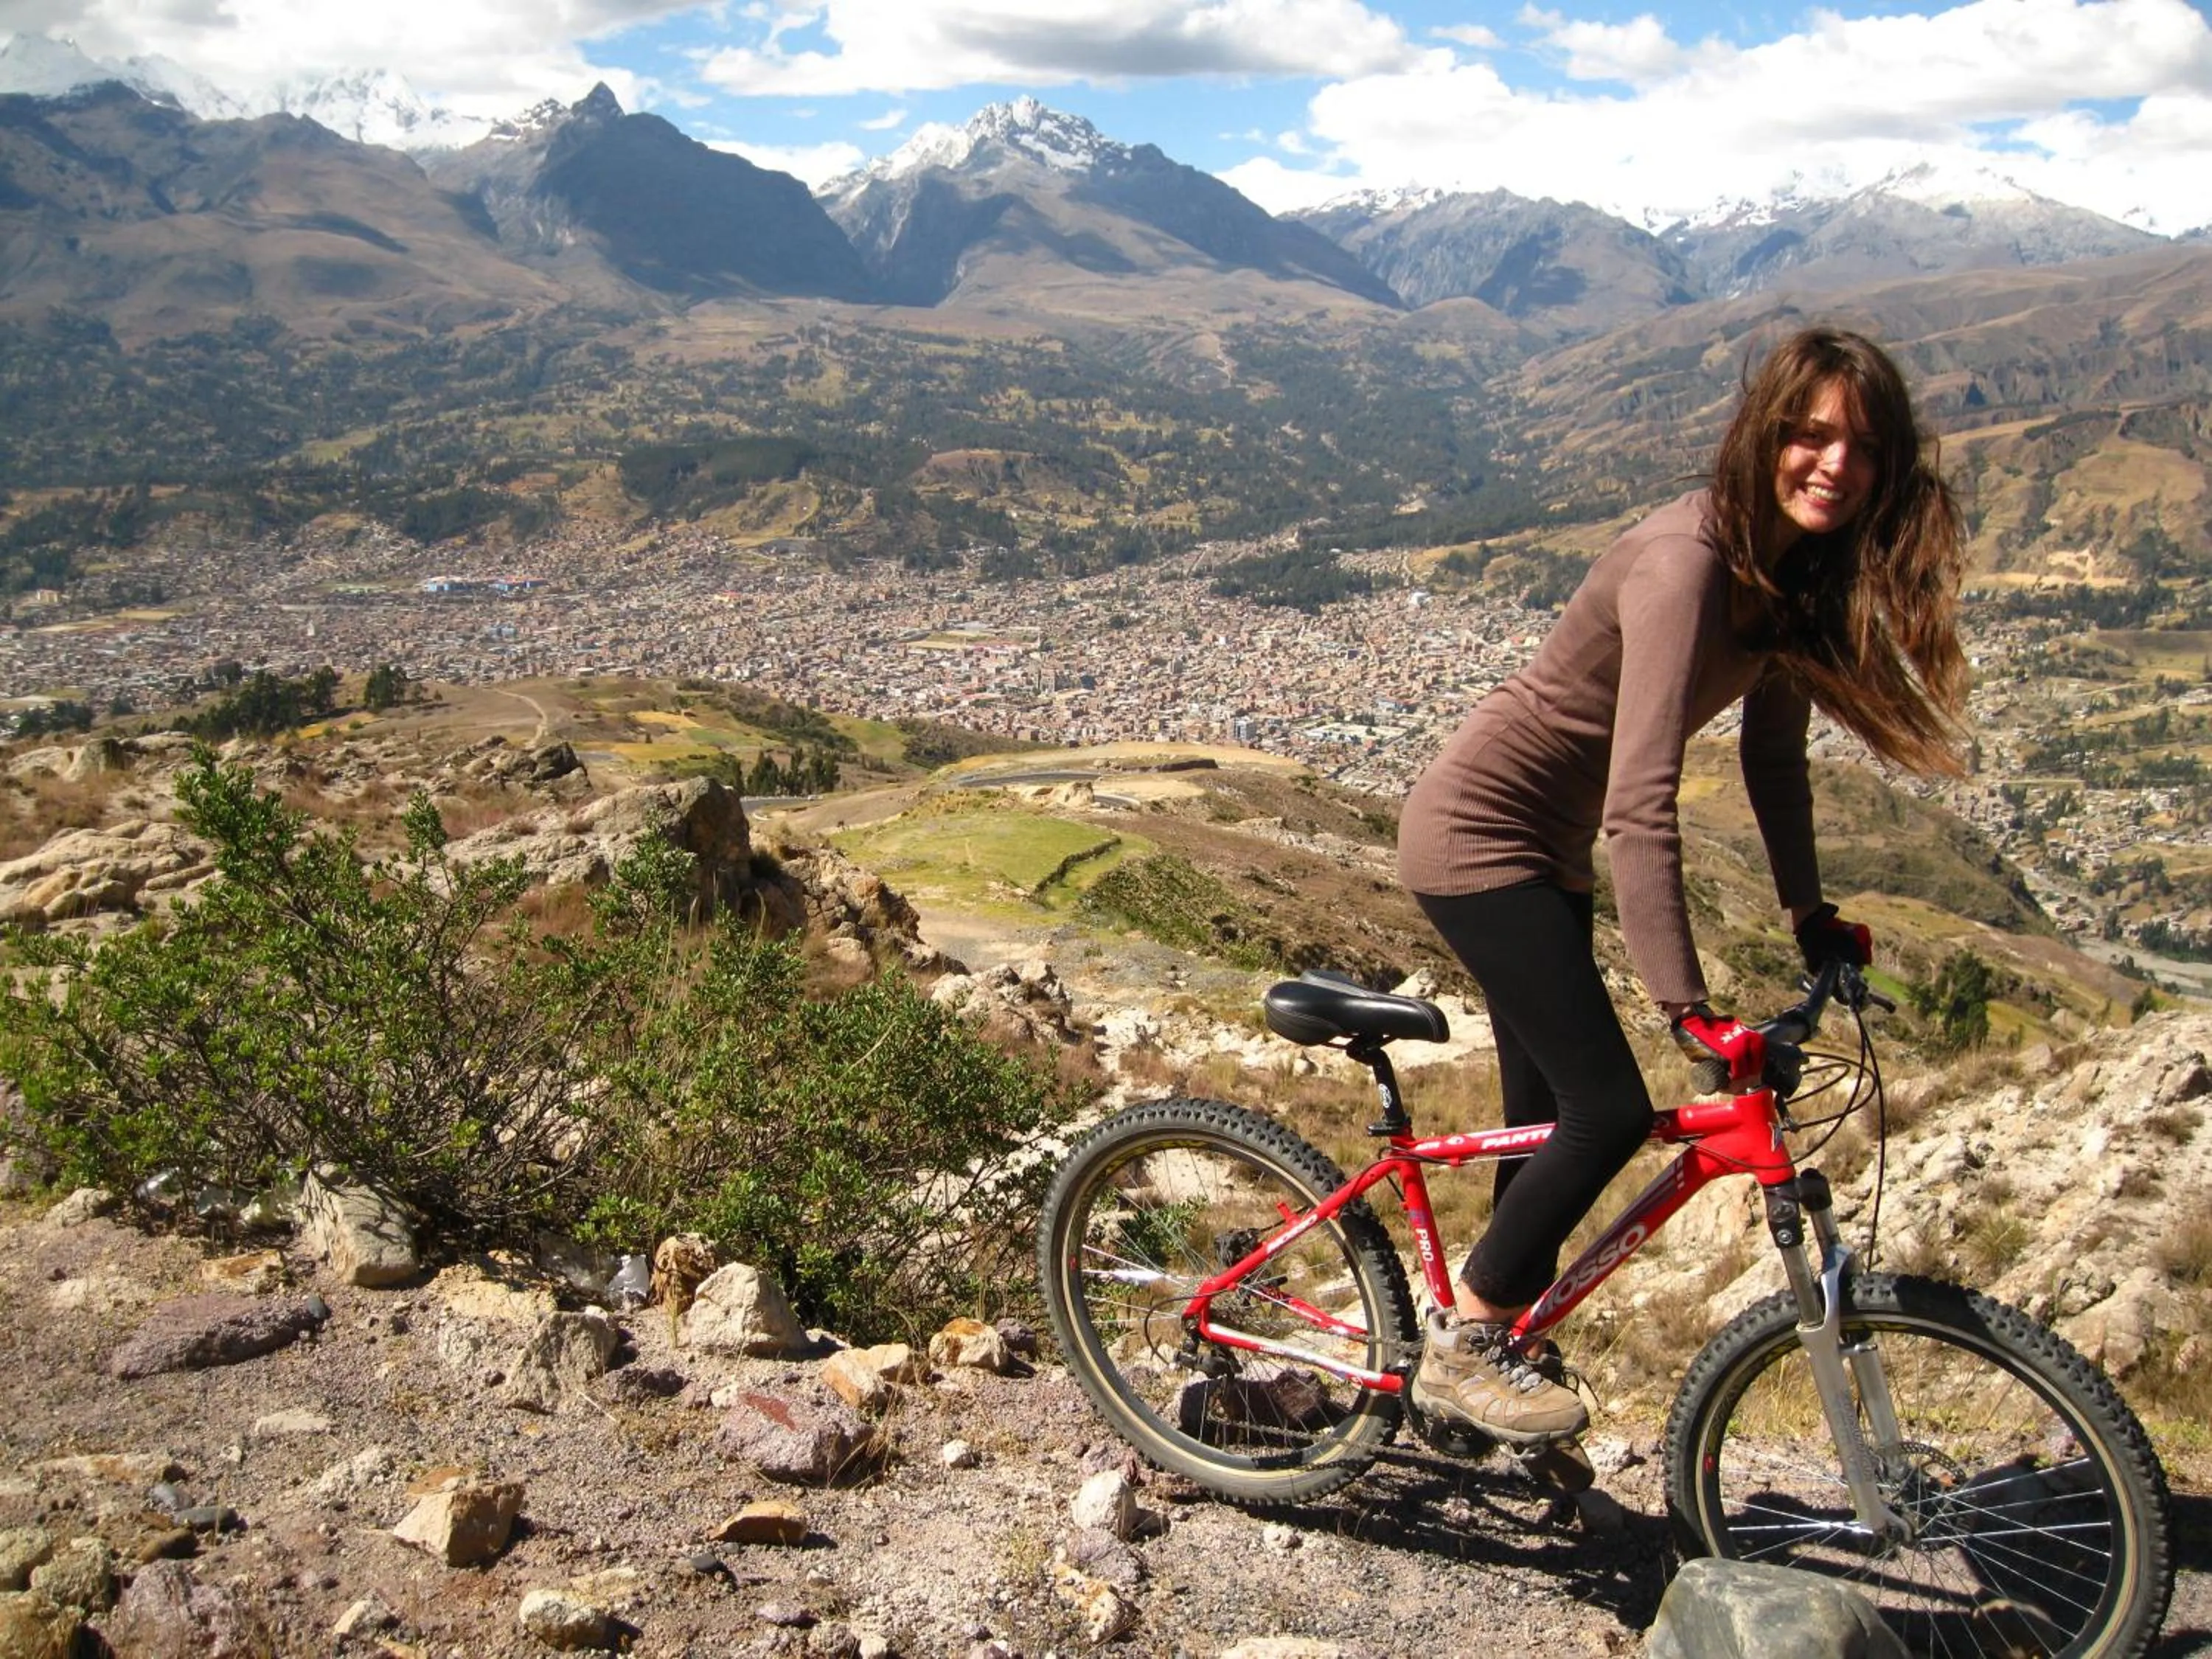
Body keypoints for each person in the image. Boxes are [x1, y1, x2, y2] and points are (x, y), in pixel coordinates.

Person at [1395, 324, 1969, 1443]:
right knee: (1607, 1110)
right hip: (1478, 836)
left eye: (1862, 446)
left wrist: (1809, 915)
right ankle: (1463, 1351)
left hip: (1546, 848)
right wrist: (1685, 1007)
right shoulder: (1687, 563)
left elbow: (1774, 762)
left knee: (1545, 1121)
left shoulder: (1789, 578)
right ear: (1764, 435)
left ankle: (1492, 1343)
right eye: (1811, 435)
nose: (1836, 465)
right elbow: (1639, 801)